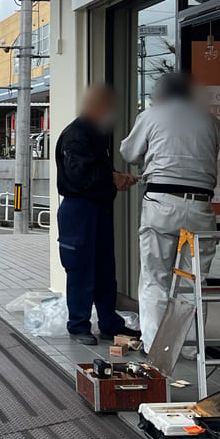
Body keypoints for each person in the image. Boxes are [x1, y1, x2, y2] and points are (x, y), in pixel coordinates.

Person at [119, 71, 220, 351]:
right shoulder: (210, 120)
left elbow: (129, 153)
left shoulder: (152, 116)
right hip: (201, 206)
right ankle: (188, 347)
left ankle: (156, 350)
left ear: (160, 94)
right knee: (192, 281)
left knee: (155, 279)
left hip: (163, 203)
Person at [55, 84, 137, 345]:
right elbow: (80, 175)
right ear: (96, 106)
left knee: (104, 269)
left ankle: (110, 324)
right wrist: (113, 177)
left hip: (98, 209)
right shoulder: (75, 135)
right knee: (80, 269)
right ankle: (78, 326)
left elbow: (96, 174)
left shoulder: (95, 134)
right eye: (107, 106)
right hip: (79, 210)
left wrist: (114, 179)